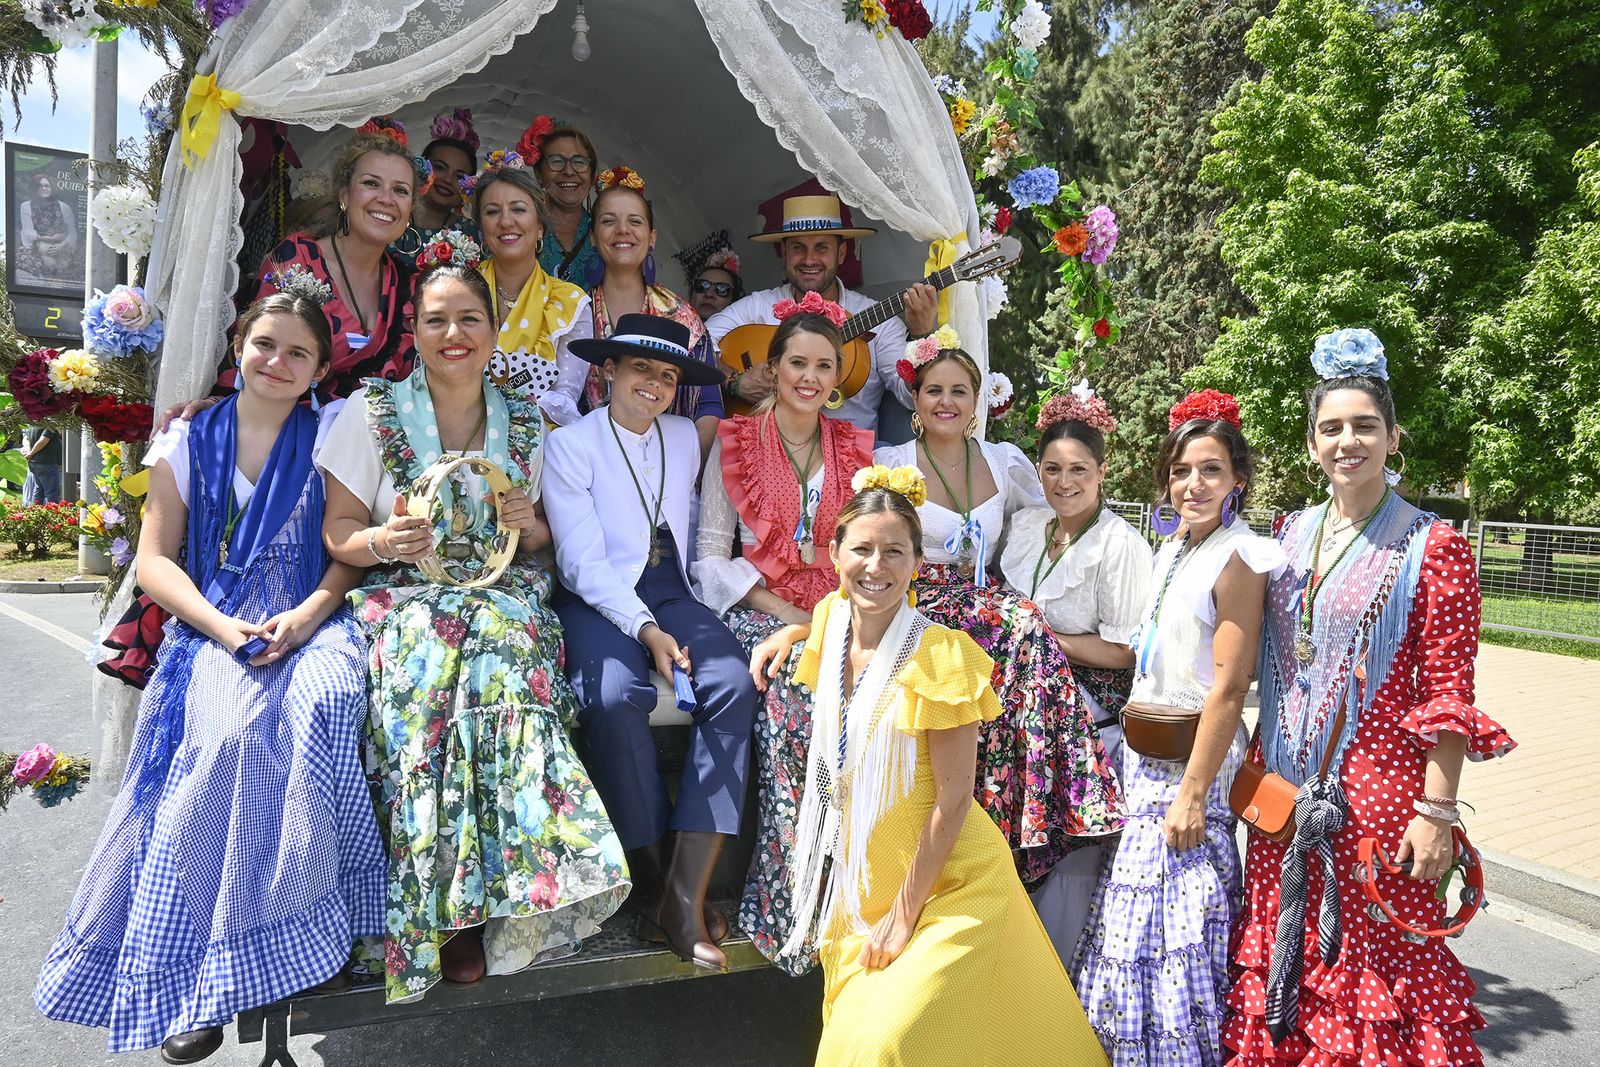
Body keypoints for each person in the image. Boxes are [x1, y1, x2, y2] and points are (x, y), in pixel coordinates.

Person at [35, 295, 384, 1064]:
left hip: (310, 617)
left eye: (298, 354)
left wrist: (307, 616)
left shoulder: (332, 430)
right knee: (228, 736)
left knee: (324, 705)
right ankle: (205, 977)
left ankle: (307, 933)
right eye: (265, 344)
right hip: (216, 621)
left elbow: (344, 551)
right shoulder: (190, 438)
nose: (277, 362)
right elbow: (156, 561)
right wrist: (225, 629)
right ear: (238, 344)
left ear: (322, 370)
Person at [318, 264, 628, 1005]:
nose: (453, 334)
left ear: (493, 331)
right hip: (405, 591)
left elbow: (551, 539)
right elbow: (338, 533)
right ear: (414, 332)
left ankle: (515, 888)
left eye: (468, 319)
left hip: (503, 591)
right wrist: (385, 538)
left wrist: (530, 525)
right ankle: (446, 909)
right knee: (432, 661)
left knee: (499, 654)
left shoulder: (525, 419)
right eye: (436, 319)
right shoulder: (373, 412)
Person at [1224, 330, 1514, 1065]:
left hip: (1381, 811)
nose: (1347, 440)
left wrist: (1438, 813)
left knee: (1374, 987)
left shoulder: (1433, 545)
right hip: (1279, 802)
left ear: (1392, 436)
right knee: (1282, 964)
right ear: (1311, 440)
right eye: (1331, 427)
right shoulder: (1288, 533)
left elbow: (1450, 693)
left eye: (1363, 425)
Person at [776, 465, 1108, 1066]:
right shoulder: (828, 622)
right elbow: (831, 626)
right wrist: (781, 634)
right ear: (833, 553)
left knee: (887, 1043)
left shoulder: (942, 655)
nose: (876, 566)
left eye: (895, 552)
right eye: (862, 549)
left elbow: (954, 800)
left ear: (917, 562)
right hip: (868, 884)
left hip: (953, 885)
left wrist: (904, 918)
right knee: (850, 1045)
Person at [1072, 389, 1287, 1067]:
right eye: (1182, 470)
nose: (1193, 483)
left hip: (1191, 766)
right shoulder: (1173, 548)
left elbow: (1228, 685)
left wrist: (1194, 792)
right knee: (1131, 930)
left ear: (1238, 480)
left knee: (1175, 935)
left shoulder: (1241, 556)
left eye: (1211, 470)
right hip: (1147, 761)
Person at [542, 315, 758, 973]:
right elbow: (579, 563)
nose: (655, 384)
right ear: (608, 371)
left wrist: (667, 617)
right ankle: (662, 880)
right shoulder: (570, 445)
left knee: (732, 682)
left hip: (673, 589)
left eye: (667, 375)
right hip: (599, 595)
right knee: (610, 696)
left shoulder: (683, 438)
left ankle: (685, 890)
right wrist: (646, 630)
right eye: (641, 368)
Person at [874, 339, 1123, 884]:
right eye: (933, 390)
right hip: (921, 599)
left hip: (983, 595)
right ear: (914, 398)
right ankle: (1066, 802)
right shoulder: (890, 463)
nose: (946, 402)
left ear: (976, 399)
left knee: (1027, 622)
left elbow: (1047, 519)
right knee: (1025, 624)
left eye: (959, 391)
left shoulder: (1002, 461)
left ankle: (1036, 811)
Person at [690, 301, 875, 973]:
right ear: (773, 369)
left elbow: (868, 556)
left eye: (824, 365)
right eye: (797, 361)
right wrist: (794, 619)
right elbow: (709, 558)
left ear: (838, 377)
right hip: (758, 612)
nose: (810, 376)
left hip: (836, 609)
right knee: (805, 694)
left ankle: (866, 890)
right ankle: (793, 904)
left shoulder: (854, 450)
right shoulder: (735, 443)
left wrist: (834, 617)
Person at [998, 383, 1152, 966]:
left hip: (1083, 717)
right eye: (1052, 468)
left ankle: (1054, 985)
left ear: (1102, 471)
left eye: (1079, 470)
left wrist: (1039, 638)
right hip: (1017, 704)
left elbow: (1123, 652)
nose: (1064, 482)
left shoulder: (1120, 544)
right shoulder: (1027, 524)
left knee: (1065, 864)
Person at [705, 192, 937, 439]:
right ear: (783, 253)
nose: (809, 259)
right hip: (764, 451)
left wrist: (922, 334)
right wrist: (734, 381)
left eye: (821, 248)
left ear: (841, 253)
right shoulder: (757, 307)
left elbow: (911, 396)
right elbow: (692, 346)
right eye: (798, 248)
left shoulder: (883, 324)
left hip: (853, 467)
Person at [244, 128, 422, 403]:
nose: (386, 199)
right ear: (344, 195)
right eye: (371, 183)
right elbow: (256, 353)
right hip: (291, 433)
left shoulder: (409, 286)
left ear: (410, 209)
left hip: (376, 441)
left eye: (400, 190)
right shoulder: (296, 260)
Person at [583, 166, 723, 457]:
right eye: (609, 221)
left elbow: (708, 405)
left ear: (652, 237)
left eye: (635, 221)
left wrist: (683, 469)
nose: (623, 230)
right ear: (593, 237)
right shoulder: (572, 311)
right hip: (588, 460)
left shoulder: (683, 317)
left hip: (665, 464)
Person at [469, 154, 593, 426]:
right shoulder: (458, 290)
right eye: (492, 211)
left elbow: (564, 397)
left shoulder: (570, 304)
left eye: (518, 209)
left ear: (539, 227)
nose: (505, 221)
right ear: (482, 228)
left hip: (537, 442)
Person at [392, 108, 482, 258]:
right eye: (440, 167)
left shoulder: (471, 234)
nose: (447, 180)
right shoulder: (389, 214)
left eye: (459, 176)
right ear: (420, 167)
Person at [529, 120, 605, 290]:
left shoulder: (605, 231)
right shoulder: (524, 228)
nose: (569, 171)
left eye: (579, 162)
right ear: (539, 173)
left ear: (592, 174)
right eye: (556, 161)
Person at [19, 174, 80, 281]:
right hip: (35, 250)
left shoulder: (64, 207)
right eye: (39, 186)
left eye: (46, 185)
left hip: (61, 250)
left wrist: (61, 245)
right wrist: (52, 239)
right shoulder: (26, 206)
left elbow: (72, 234)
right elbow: (28, 233)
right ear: (34, 188)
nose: (43, 188)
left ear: (51, 187)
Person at [22, 426, 64, 505]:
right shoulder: (49, 423)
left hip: (36, 463)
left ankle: (34, 513)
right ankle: (52, 514)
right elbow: (44, 440)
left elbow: (26, 438)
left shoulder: (33, 424)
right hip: (47, 463)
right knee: (52, 493)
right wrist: (31, 453)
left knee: (39, 490)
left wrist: (29, 452)